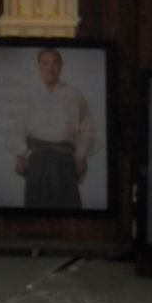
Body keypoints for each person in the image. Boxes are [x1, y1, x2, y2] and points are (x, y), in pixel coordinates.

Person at [13, 47, 99, 208]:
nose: (50, 68)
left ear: (60, 66)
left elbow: (86, 128)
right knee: (35, 209)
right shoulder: (28, 94)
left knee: (67, 207)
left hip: (64, 159)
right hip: (37, 157)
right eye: (45, 63)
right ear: (39, 66)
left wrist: (81, 157)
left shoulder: (74, 95)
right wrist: (20, 156)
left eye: (54, 63)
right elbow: (18, 127)